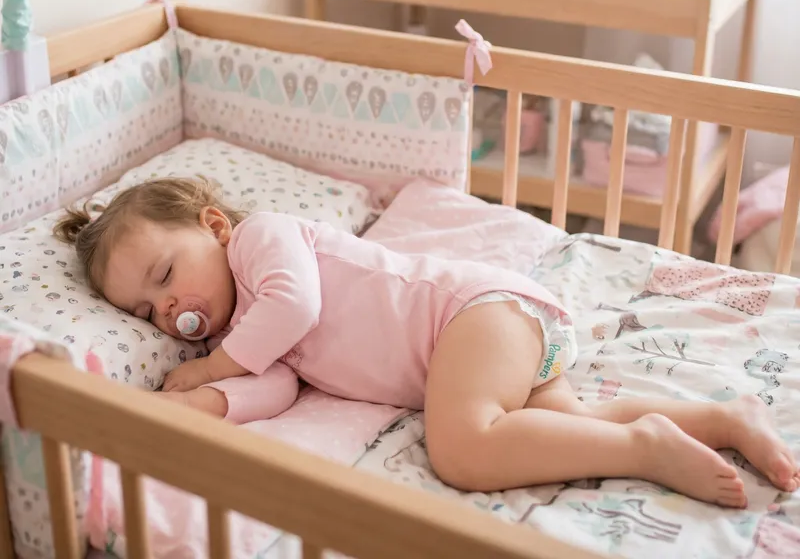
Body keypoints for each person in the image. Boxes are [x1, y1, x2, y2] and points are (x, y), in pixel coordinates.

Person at [56, 177, 799, 507]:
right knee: (567, 431)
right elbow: (275, 385)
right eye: (148, 311)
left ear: (214, 227)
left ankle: (648, 451)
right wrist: (204, 403)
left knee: (464, 451)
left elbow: (296, 303)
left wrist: (217, 362)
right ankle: (728, 419)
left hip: (472, 316)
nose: (171, 310)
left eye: (166, 274)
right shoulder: (251, 333)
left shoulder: (262, 243)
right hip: (499, 344)